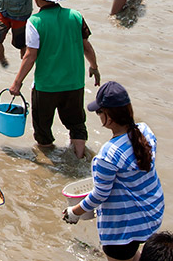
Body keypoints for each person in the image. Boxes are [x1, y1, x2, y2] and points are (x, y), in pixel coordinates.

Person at [61, 82, 165, 260]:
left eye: (99, 112)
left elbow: (100, 195)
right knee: (134, 253)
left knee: (123, 253)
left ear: (108, 115)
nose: (98, 116)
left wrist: (74, 212)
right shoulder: (145, 131)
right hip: (152, 214)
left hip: (124, 228)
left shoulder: (106, 156)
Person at [9, 0, 101, 158]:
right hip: (74, 84)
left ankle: (51, 167)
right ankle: (79, 159)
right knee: (77, 125)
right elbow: (87, 46)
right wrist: (94, 67)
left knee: (43, 132)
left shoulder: (34, 21)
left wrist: (17, 83)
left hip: (46, 86)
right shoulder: (76, 16)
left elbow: (30, 56)